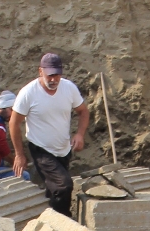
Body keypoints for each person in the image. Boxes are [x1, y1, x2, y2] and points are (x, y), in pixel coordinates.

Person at [10, 53, 90, 217]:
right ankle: (64, 225)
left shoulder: (69, 88)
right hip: (41, 149)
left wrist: (80, 134)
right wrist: (19, 154)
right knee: (63, 185)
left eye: (57, 75)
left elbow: (83, 112)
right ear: (40, 72)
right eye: (50, 75)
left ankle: (49, 222)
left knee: (54, 189)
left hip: (63, 149)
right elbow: (14, 123)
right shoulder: (28, 93)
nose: (54, 79)